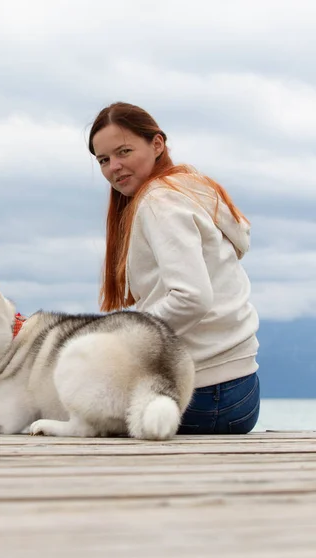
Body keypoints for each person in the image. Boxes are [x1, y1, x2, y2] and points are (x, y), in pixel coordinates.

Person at [88, 101, 260, 434]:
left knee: (66, 404)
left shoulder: (159, 201)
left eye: (124, 151)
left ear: (157, 144)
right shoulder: (189, 188)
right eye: (104, 160)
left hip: (200, 394)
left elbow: (192, 297)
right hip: (242, 392)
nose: (114, 168)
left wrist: (122, 339)